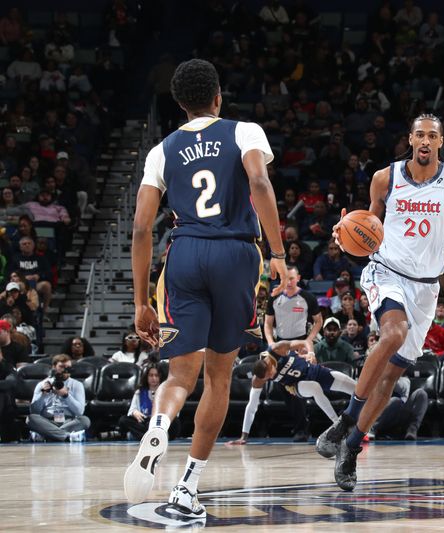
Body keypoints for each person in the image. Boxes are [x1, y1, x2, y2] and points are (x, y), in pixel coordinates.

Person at [124, 59, 288, 521]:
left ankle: (158, 424)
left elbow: (140, 229)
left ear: (180, 105)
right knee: (218, 376)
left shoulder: (162, 150)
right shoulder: (244, 131)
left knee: (179, 377)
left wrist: (141, 302)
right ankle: (186, 485)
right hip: (236, 253)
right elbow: (258, 182)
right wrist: (277, 252)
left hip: (184, 253)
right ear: (218, 96)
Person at [316, 113, 444, 491]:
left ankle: (351, 448)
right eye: (418, 134)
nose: (424, 140)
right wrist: (344, 232)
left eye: (431, 136)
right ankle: (345, 420)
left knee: (392, 375)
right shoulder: (385, 178)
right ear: (410, 138)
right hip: (386, 271)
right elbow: (368, 228)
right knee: (392, 334)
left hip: (426, 286)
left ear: (440, 142)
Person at [228, 340, 356, 445]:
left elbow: (306, 341)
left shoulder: (277, 349)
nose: (271, 377)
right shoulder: (258, 379)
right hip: (296, 385)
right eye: (267, 378)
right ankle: (337, 423)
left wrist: (311, 353)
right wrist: (243, 436)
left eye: (270, 373)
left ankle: (363, 424)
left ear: (268, 364)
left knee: (357, 389)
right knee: (315, 387)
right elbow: (252, 405)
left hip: (313, 371)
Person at [262, 265, 323, 441]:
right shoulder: (274, 298)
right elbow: (267, 324)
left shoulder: (307, 297)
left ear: (298, 278)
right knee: (285, 389)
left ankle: (303, 428)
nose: (288, 282)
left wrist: (309, 340)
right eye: (285, 278)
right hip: (280, 346)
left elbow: (318, 321)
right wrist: (271, 343)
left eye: (291, 278)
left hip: (299, 344)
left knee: (298, 387)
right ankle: (301, 425)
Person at [28, 354, 90, 442]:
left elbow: (80, 411)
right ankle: (67, 437)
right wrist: (43, 395)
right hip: (47, 421)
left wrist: (66, 396)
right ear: (54, 367)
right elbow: (34, 411)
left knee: (85, 420)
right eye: (62, 367)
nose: (65, 370)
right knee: (30, 418)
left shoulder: (77, 385)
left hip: (68, 421)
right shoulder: (42, 384)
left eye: (68, 367)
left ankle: (47, 435)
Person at [118, 364, 181, 441]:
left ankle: (146, 436)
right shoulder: (139, 392)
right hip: (145, 421)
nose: (153, 378)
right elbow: (131, 410)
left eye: (156, 376)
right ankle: (151, 436)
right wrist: (135, 412)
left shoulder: (167, 392)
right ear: (146, 377)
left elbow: (175, 413)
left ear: (161, 377)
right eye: (151, 375)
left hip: (161, 422)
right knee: (123, 420)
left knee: (176, 421)